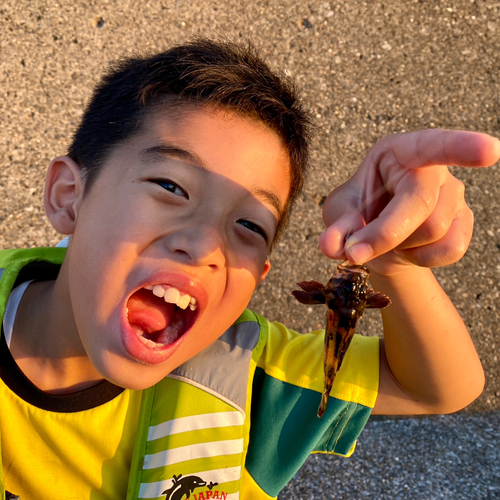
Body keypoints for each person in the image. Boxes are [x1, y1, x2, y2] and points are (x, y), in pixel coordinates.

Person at [0, 38, 497, 500]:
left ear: (257, 278)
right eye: (171, 187)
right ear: (69, 197)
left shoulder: (253, 382)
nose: (204, 245)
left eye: (249, 225)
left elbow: (439, 388)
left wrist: (390, 258)